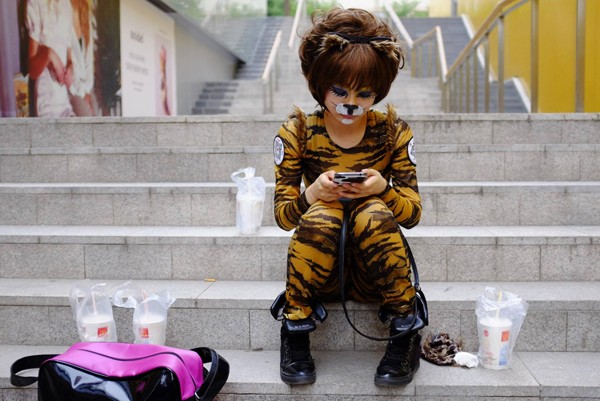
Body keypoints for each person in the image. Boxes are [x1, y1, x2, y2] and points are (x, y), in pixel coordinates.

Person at [271, 7, 423, 387]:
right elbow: (283, 217)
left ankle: (405, 330)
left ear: (378, 91)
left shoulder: (392, 131)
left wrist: (382, 189)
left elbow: (413, 214)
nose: (351, 103)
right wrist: (312, 196)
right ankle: (295, 331)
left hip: (377, 271)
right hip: (321, 270)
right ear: (319, 84)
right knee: (323, 213)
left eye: (364, 93)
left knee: (371, 210)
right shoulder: (298, 132)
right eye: (339, 90)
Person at [26, 0, 75, 117]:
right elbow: (32, 71)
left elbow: (69, 53)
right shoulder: (35, 3)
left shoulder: (66, 4)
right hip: (46, 104)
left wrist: (71, 67)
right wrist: (48, 53)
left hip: (65, 102)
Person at [68, 0, 99, 116]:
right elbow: (70, 62)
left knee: (98, 120)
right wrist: (82, 93)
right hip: (71, 89)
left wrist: (87, 92)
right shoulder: (63, 10)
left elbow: (89, 61)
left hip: (86, 87)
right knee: (87, 119)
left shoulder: (85, 11)